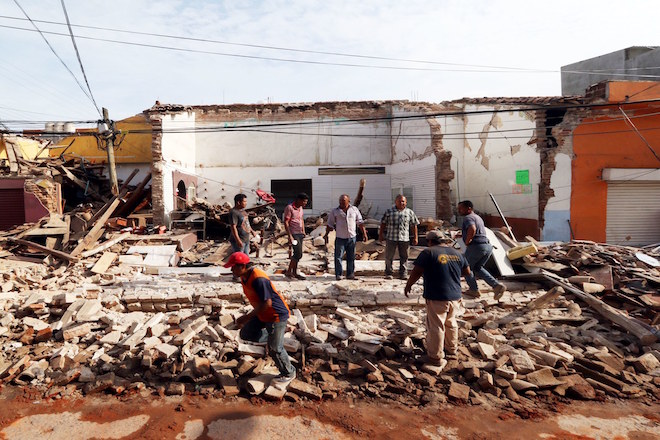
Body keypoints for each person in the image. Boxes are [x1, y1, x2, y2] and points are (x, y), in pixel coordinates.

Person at [224, 252, 296, 387]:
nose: (231, 270)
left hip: (276, 314)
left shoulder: (259, 279)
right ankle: (274, 337)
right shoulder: (244, 276)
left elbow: (267, 303)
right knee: (246, 333)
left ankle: (289, 372)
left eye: (233, 267)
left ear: (243, 266)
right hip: (263, 313)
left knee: (275, 349)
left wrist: (246, 317)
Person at [404, 230, 471, 369]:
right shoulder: (457, 253)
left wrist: (409, 284)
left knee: (436, 326)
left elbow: (417, 271)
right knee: (451, 323)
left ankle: (435, 357)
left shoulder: (428, 253)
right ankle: (452, 351)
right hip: (455, 296)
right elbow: (467, 272)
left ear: (429, 241)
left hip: (437, 296)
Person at [457, 200, 506, 300]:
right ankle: (496, 285)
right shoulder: (478, 217)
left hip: (476, 246)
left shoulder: (468, 218)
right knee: (478, 268)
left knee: (466, 268)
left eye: (461, 208)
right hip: (486, 246)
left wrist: (467, 240)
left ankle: (474, 290)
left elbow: (472, 229)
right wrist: (464, 235)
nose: (459, 210)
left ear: (469, 208)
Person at [325, 194, 368, 280]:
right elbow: (329, 224)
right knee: (338, 257)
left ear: (349, 201)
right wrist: (326, 235)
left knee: (351, 257)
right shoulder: (335, 211)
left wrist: (364, 234)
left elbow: (360, 222)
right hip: (340, 238)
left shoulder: (354, 210)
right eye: (340, 201)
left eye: (344, 201)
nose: (341, 203)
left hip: (352, 237)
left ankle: (350, 274)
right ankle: (339, 274)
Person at [379, 194, 419, 279]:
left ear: (406, 202)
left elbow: (414, 225)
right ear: (395, 202)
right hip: (391, 237)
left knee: (404, 257)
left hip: (404, 238)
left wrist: (416, 237)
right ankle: (388, 273)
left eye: (403, 201)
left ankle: (403, 273)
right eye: (399, 201)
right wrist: (381, 235)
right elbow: (383, 223)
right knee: (389, 256)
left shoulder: (410, 212)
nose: (401, 203)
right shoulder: (389, 212)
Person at [283, 193, 309, 280]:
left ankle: (293, 272)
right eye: (304, 201)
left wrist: (303, 231)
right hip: (294, 234)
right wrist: (290, 236)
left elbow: (301, 219)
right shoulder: (289, 208)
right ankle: (289, 271)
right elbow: (286, 222)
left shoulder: (300, 208)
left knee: (297, 254)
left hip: (300, 233)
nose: (305, 203)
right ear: (299, 200)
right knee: (298, 254)